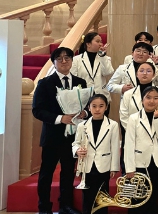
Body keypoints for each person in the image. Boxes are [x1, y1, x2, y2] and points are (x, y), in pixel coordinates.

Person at [33, 46, 88, 214]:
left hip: (73, 137)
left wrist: (85, 113)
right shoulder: (45, 83)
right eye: (59, 58)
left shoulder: (80, 82)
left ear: (72, 61)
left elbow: (87, 105)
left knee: (68, 172)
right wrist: (60, 118)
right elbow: (37, 110)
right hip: (52, 135)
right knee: (46, 173)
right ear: (54, 62)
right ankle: (44, 207)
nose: (64, 61)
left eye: (67, 58)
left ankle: (66, 205)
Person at [124, 86, 158, 214]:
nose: (152, 101)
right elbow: (129, 143)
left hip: (154, 161)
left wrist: (157, 119)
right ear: (142, 100)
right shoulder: (134, 118)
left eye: (155, 98)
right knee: (136, 197)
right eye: (148, 97)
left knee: (152, 195)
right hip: (138, 162)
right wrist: (129, 168)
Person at [72, 94, 119, 214]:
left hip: (104, 165)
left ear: (106, 107)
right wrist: (77, 150)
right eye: (94, 106)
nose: (97, 109)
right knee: (87, 198)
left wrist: (114, 167)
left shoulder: (113, 125)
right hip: (87, 165)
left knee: (102, 196)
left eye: (101, 106)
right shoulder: (82, 125)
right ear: (89, 108)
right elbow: (75, 143)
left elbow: (114, 146)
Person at [119, 62, 158, 130]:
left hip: (155, 131)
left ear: (154, 75)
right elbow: (124, 115)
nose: (145, 73)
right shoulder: (128, 94)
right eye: (141, 71)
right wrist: (133, 130)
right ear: (136, 74)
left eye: (148, 71)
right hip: (133, 131)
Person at [70, 32, 114, 104]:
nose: (100, 44)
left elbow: (108, 72)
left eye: (101, 42)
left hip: (102, 97)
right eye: (97, 41)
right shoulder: (76, 60)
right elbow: (73, 79)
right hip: (83, 98)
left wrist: (102, 56)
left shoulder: (105, 58)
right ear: (88, 44)